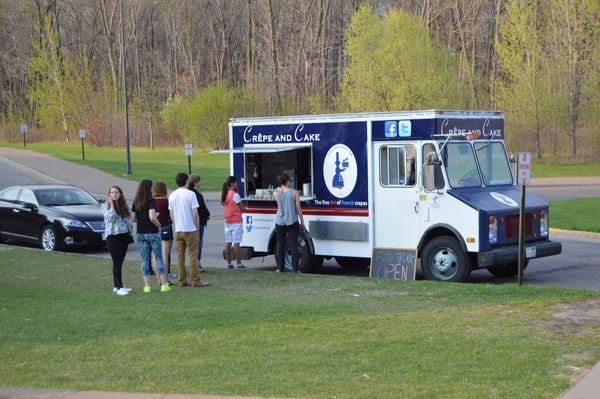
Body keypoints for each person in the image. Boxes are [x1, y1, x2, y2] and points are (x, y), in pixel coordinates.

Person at [169, 172, 209, 287]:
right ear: (186, 181)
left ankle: (182, 280)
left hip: (179, 229)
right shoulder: (191, 194)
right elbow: (195, 214)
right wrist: (196, 227)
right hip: (190, 228)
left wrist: (177, 224)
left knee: (180, 256)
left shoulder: (172, 195)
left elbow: (172, 215)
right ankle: (195, 280)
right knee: (193, 255)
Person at [131, 179, 170, 293]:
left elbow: (133, 218)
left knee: (145, 259)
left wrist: (141, 220)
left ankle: (147, 286)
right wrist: (159, 225)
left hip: (141, 232)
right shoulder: (151, 201)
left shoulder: (136, 201)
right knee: (159, 258)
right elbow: (152, 217)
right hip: (152, 232)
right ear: (149, 188)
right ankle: (164, 284)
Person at [102, 185, 133, 295]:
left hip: (123, 235)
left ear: (120, 194)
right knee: (116, 261)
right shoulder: (105, 206)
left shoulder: (125, 206)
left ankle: (117, 285)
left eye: (116, 192)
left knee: (120, 261)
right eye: (112, 192)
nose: (114, 194)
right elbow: (110, 219)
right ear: (109, 194)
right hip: (112, 236)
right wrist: (111, 206)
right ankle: (119, 287)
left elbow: (129, 219)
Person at [273, 173, 305, 274]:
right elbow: (298, 209)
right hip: (291, 220)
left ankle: (280, 268)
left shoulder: (276, 193)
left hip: (280, 221)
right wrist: (302, 221)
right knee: (293, 245)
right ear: (287, 182)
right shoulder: (294, 193)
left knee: (281, 245)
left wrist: (276, 189)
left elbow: (273, 196)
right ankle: (295, 269)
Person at [221, 176, 247, 269]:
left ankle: (229, 263)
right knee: (236, 243)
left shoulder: (225, 195)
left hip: (227, 221)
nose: (237, 184)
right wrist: (245, 207)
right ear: (232, 184)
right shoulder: (235, 195)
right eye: (236, 183)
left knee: (228, 242)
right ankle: (239, 264)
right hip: (236, 221)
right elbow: (242, 207)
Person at [187, 174, 210, 273]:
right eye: (199, 181)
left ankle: (194, 263)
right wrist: (207, 215)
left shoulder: (187, 193)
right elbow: (201, 209)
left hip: (187, 221)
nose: (201, 183)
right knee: (198, 243)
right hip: (197, 222)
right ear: (195, 183)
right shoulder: (197, 195)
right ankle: (197, 263)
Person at [152, 181, 175, 280]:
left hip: (153, 229)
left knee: (155, 255)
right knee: (165, 255)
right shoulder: (167, 201)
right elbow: (171, 215)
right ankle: (165, 278)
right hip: (165, 227)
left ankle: (158, 278)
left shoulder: (151, 201)